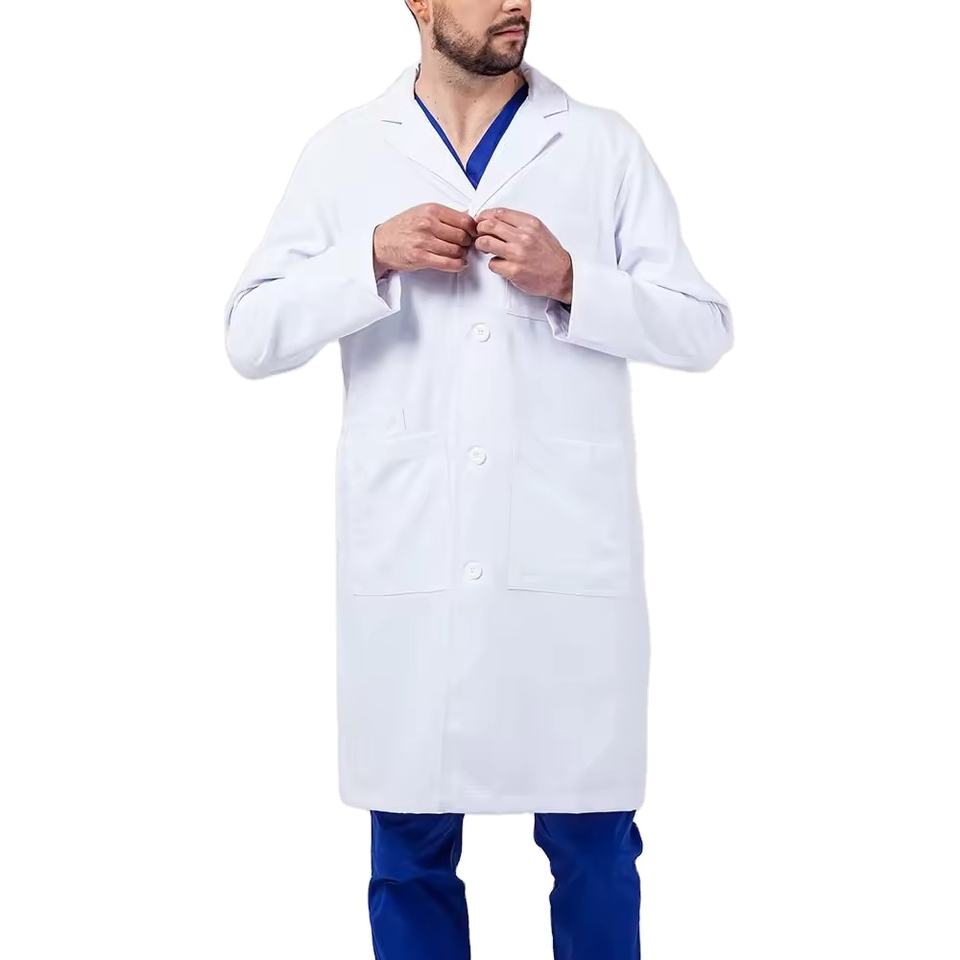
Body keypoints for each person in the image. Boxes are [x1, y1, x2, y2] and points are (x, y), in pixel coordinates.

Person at [223, 1, 733, 956]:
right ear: (419, 4)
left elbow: (703, 328)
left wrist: (574, 277)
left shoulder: (602, 146)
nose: (516, 3)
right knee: (408, 848)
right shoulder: (345, 151)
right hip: (412, 556)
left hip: (563, 557)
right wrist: (369, 257)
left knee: (594, 843)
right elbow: (250, 335)